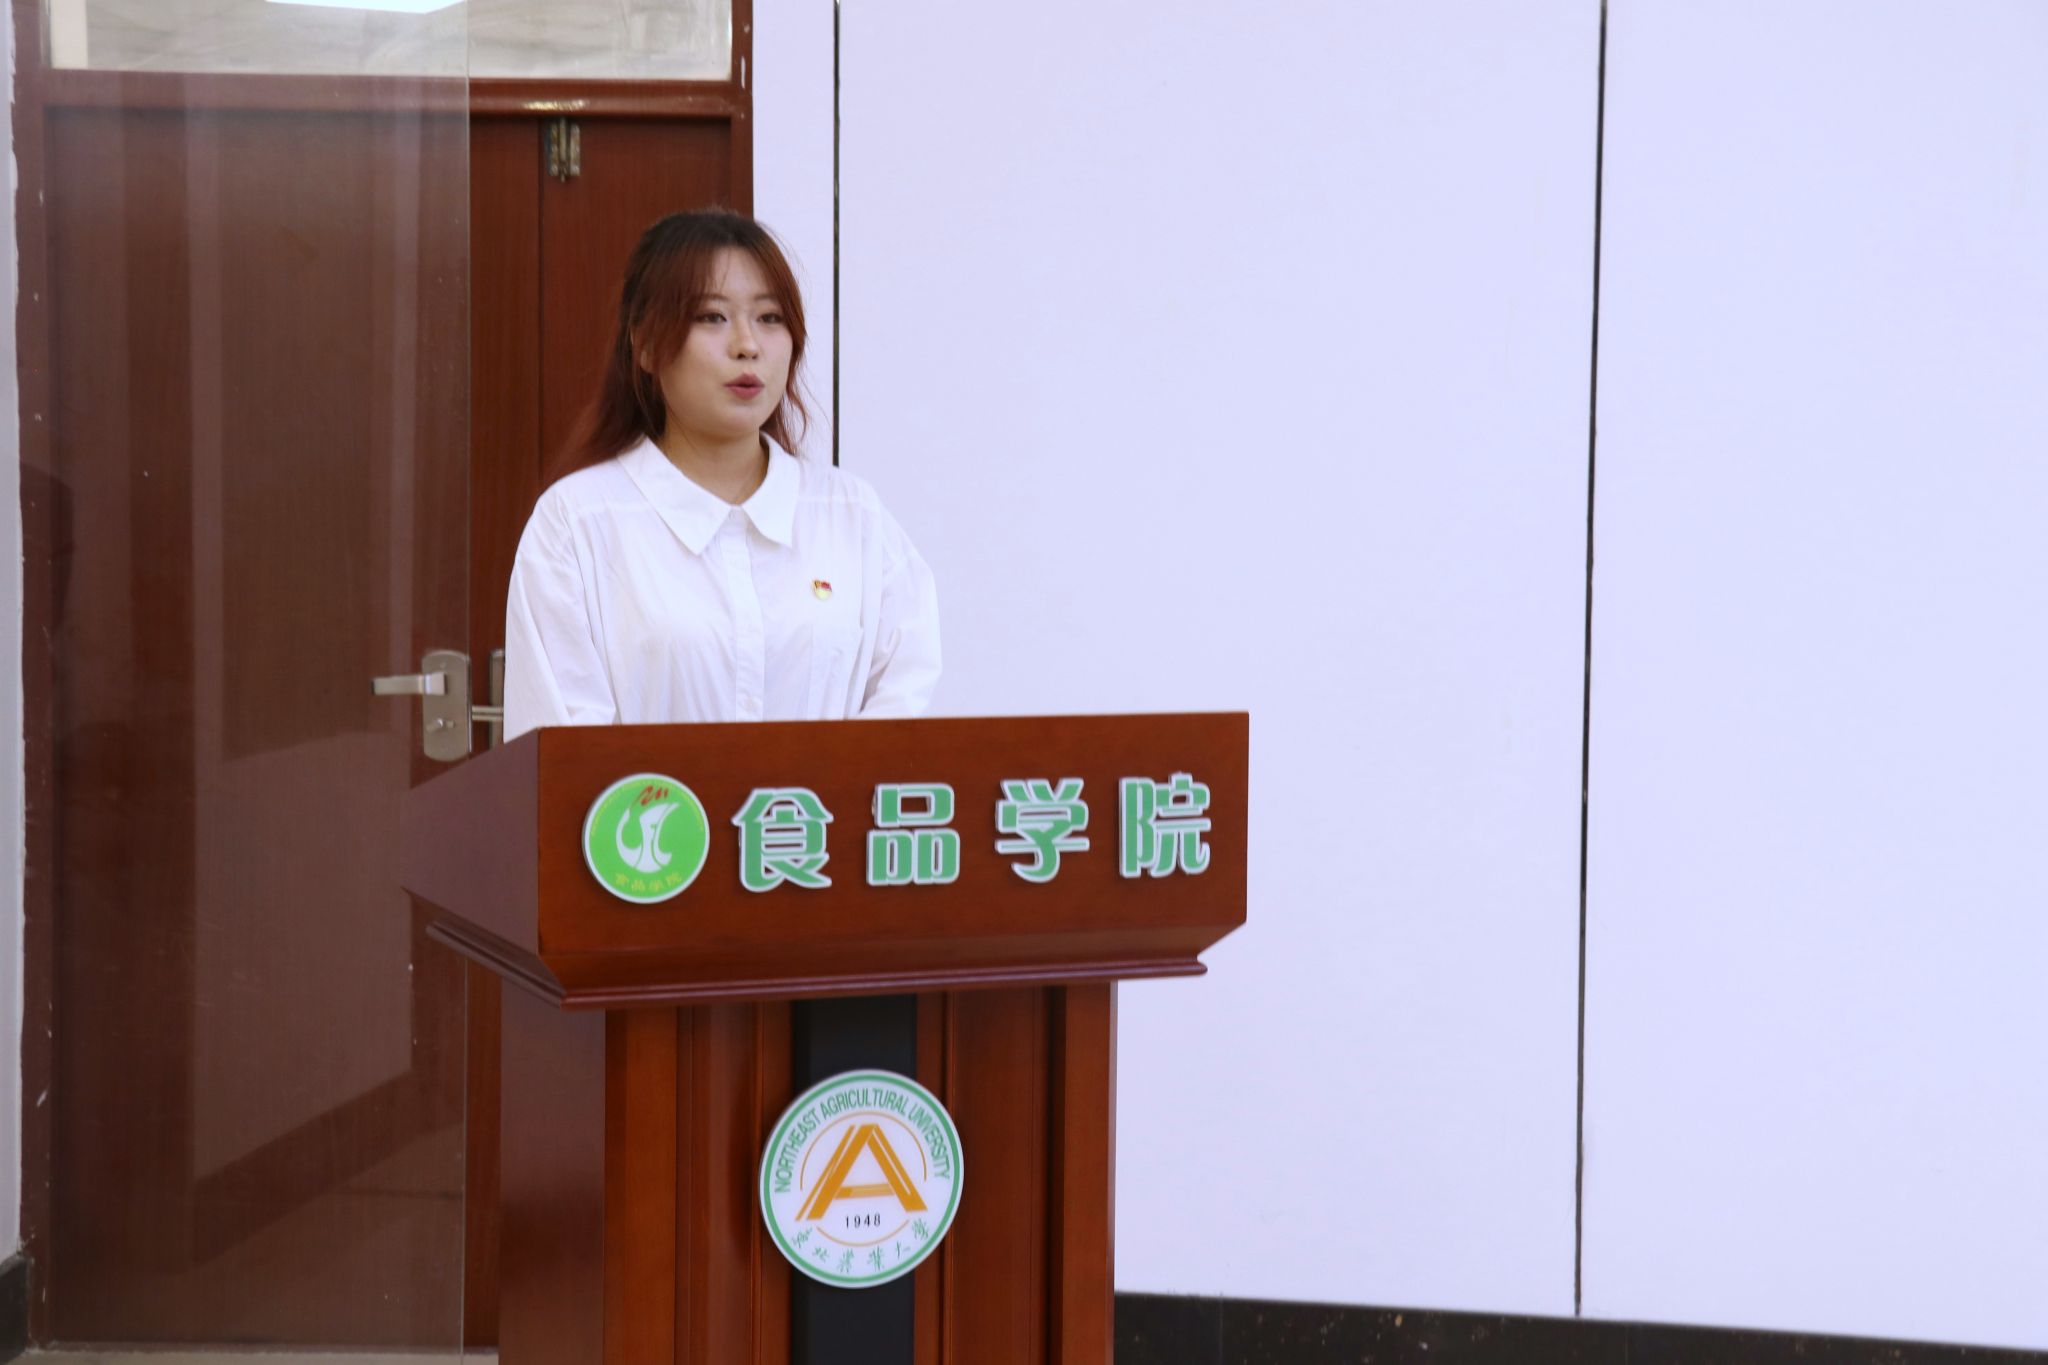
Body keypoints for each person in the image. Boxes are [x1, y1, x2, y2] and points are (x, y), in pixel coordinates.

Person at [502, 210, 940, 741]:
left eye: (770, 318)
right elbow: (561, 749)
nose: (747, 345)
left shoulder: (852, 515)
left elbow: (904, 706)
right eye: (712, 317)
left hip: (818, 802)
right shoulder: (577, 523)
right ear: (645, 344)